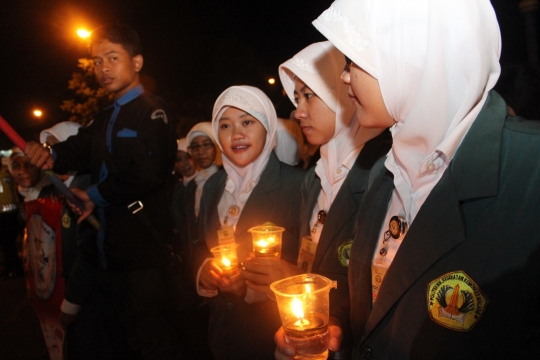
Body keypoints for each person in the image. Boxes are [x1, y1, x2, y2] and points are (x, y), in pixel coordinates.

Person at [276, 0, 540, 359]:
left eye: (355, 60)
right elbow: (384, 299)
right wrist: (339, 325)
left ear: (414, 55)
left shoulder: (531, 170)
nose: (344, 76)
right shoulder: (385, 173)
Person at [25, 23, 181, 359]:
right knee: (119, 345)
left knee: (156, 345)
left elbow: (147, 173)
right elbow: (75, 150)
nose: (103, 68)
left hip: (144, 257)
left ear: (137, 62)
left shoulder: (154, 111)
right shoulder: (103, 116)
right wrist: (48, 154)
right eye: (97, 61)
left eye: (112, 57)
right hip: (106, 257)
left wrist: (92, 196)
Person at [242, 41, 391, 358]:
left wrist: (294, 278)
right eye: (296, 98)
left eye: (309, 94)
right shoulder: (314, 178)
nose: (298, 110)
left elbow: (377, 283)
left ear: (345, 90)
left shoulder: (384, 172)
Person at [194, 85, 304, 360]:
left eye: (247, 122)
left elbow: (312, 265)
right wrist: (206, 271)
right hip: (221, 335)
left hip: (273, 336)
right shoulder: (213, 186)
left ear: (268, 128)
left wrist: (257, 288)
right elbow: (198, 245)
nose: (237, 134)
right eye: (225, 125)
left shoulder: (298, 185)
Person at [0, 155, 23, 279]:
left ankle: (11, 268)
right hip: (12, 214)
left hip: (3, 216)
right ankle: (15, 268)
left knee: (7, 245)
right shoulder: (6, 176)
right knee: (12, 244)